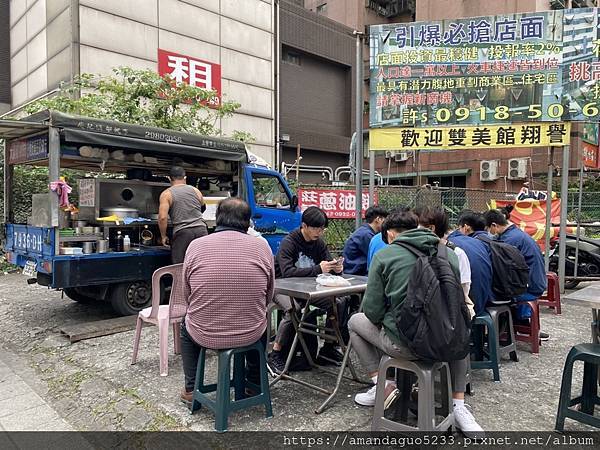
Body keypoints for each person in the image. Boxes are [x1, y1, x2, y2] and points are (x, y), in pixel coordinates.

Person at [349, 210, 483, 436]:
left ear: (390, 234)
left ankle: (382, 384)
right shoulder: (448, 252)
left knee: (354, 322)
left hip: (406, 346)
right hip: (447, 344)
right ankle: (459, 406)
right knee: (458, 331)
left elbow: (372, 312)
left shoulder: (386, 256)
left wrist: (390, 318)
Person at [179, 198, 274, 403]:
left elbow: (187, 293)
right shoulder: (262, 247)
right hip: (250, 332)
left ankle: (190, 387)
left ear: (217, 218)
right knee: (263, 321)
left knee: (185, 324)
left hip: (204, 332)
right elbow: (268, 294)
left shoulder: (196, 246)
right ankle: (254, 383)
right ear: (248, 222)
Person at [268, 206, 347, 373]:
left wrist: (336, 267)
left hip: (308, 288)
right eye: (315, 228)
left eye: (322, 228)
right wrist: (319, 269)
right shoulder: (289, 242)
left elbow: (327, 264)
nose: (319, 232)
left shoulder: (319, 243)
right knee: (294, 309)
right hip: (281, 286)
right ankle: (275, 353)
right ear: (304, 226)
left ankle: (328, 348)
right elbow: (288, 272)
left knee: (339, 302)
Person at [483, 206, 548, 338]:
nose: (488, 232)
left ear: (494, 225)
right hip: (534, 281)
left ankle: (494, 334)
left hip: (529, 288)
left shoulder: (509, 240)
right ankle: (518, 325)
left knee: (487, 294)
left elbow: (499, 269)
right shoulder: (514, 234)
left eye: (488, 229)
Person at [448, 210, 495, 315]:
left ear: (465, 227)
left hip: (471, 306)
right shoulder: (483, 242)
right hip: (486, 299)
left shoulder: (453, 243)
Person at [158, 166, 207, 264]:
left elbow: (162, 218)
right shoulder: (196, 191)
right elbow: (203, 207)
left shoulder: (166, 194)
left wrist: (163, 236)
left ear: (169, 178)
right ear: (185, 177)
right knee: (202, 263)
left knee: (180, 265)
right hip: (201, 230)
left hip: (183, 232)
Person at [342, 206, 388, 275]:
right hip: (356, 274)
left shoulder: (365, 231)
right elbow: (379, 257)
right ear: (378, 219)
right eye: (385, 220)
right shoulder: (366, 234)